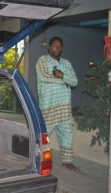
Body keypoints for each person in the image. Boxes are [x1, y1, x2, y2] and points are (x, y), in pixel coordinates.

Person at [36, 36, 79, 171]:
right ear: (49, 47)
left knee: (67, 134)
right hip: (49, 106)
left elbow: (75, 81)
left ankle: (67, 161)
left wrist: (62, 76)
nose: (57, 48)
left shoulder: (67, 63)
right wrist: (64, 79)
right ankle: (38, 159)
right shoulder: (42, 60)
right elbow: (44, 77)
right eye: (54, 46)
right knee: (44, 134)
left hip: (64, 107)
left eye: (59, 46)